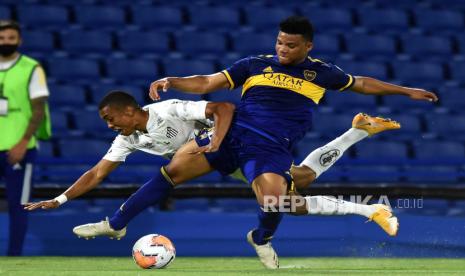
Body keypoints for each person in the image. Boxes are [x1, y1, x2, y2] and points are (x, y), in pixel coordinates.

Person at [145, 16, 438, 269]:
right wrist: (173, 80)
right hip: (242, 141)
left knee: (294, 187)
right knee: (288, 194)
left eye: (291, 45)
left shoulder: (321, 72)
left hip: (275, 146)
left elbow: (360, 83)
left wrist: (405, 90)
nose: (283, 49)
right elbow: (208, 83)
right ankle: (366, 202)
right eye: (280, 43)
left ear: (308, 46)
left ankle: (262, 237)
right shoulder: (254, 65)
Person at [26, 92, 399, 256]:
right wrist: (59, 199)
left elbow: (222, 107)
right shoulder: (128, 139)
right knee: (298, 184)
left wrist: (214, 139)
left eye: (111, 119)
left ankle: (117, 222)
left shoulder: (169, 108)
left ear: (128, 110)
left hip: (238, 143)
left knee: (291, 191)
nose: (109, 126)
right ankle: (359, 132)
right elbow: (97, 172)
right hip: (218, 158)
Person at [0, 20, 51, 256]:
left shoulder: (32, 68)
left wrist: (22, 142)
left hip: (20, 148)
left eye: (11, 38)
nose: (6, 42)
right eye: (2, 38)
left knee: (18, 205)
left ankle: (13, 256)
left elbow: (38, 109)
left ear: (19, 40)